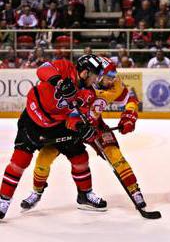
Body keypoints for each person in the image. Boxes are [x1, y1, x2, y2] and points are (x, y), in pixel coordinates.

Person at [20, 56, 148, 211]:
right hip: (70, 128)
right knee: (44, 158)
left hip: (95, 126)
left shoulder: (114, 85)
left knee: (115, 156)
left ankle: (135, 191)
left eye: (113, 77)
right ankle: (36, 191)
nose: (111, 81)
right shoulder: (79, 85)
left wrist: (129, 116)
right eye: (108, 77)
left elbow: (131, 98)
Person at [0, 55, 107, 219]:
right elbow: (42, 70)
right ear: (85, 72)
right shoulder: (65, 67)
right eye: (95, 76)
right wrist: (59, 82)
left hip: (58, 126)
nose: (96, 80)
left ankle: (85, 194)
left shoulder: (88, 94)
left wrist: (80, 127)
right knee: (19, 160)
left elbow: (75, 117)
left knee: (80, 157)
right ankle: (3, 200)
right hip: (33, 119)